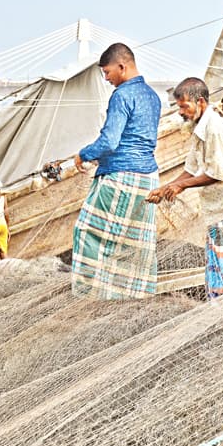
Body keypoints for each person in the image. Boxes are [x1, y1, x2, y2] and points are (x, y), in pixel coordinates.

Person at [147, 77, 223, 307]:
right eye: (178, 106)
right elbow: (190, 170)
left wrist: (180, 187)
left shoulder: (215, 128)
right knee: (219, 273)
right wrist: (164, 189)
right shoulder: (200, 130)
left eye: (184, 106)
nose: (181, 112)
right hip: (218, 213)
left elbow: (216, 174)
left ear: (200, 102)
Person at [68, 43, 161, 300]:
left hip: (121, 177)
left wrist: (84, 154)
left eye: (107, 72)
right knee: (136, 243)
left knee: (87, 231)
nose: (106, 78)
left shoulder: (121, 95)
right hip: (149, 179)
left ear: (122, 66)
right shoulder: (153, 96)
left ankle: (91, 296)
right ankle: (137, 295)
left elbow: (109, 142)